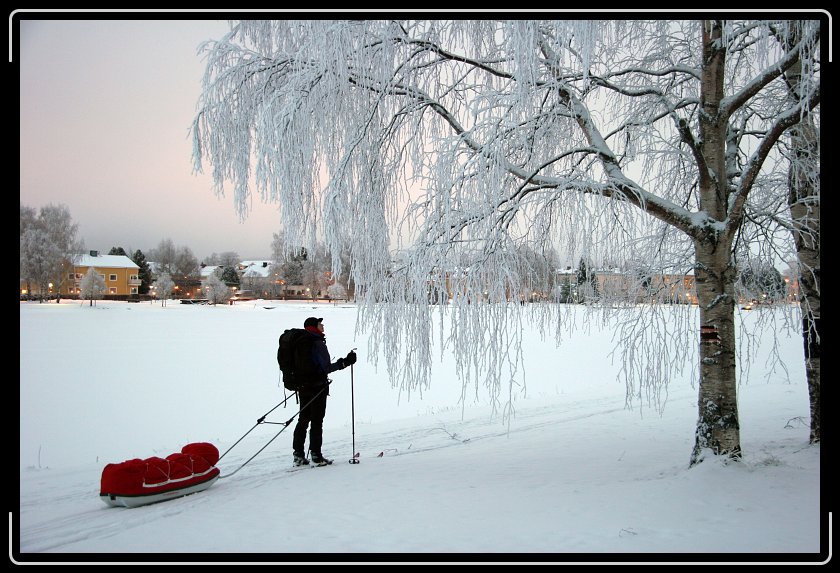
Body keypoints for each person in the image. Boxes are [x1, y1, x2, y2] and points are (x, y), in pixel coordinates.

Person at [292, 317, 357, 466]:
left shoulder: (299, 342)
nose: (323, 326)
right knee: (316, 421)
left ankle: (298, 455)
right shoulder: (316, 342)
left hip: (303, 387)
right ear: (314, 326)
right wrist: (344, 362)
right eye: (320, 324)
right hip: (317, 387)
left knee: (303, 419)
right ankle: (316, 455)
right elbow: (325, 368)